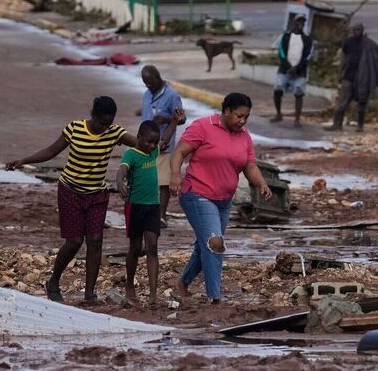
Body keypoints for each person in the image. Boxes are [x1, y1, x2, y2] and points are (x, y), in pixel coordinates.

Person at [6, 96, 137, 303]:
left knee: (95, 241)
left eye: (108, 124)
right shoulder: (74, 128)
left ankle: (89, 293)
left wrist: (158, 139)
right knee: (74, 241)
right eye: (102, 123)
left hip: (97, 194)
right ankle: (54, 281)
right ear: (93, 116)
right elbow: (51, 151)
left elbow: (141, 143)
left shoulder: (114, 132)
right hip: (70, 191)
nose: (104, 128)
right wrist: (24, 160)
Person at [169, 93, 272, 304]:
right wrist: (175, 175)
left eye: (246, 117)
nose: (242, 121)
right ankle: (214, 298)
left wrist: (261, 183)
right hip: (197, 194)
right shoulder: (203, 127)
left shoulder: (244, 136)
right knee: (215, 243)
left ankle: (183, 283)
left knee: (205, 245)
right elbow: (179, 152)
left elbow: (249, 165)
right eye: (238, 116)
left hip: (224, 200)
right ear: (226, 111)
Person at [116, 121, 162, 306]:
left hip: (153, 206)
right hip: (134, 206)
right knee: (135, 247)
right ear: (139, 138)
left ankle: (153, 295)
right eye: (149, 142)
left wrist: (174, 122)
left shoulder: (155, 151)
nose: (152, 146)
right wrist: (120, 182)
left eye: (155, 143)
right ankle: (130, 285)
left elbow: (164, 140)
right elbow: (122, 170)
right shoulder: (131, 154)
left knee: (152, 246)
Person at [140, 65, 186, 226]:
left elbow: (182, 118)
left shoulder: (172, 95)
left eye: (150, 82)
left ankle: (161, 216)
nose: (148, 86)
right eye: (145, 83)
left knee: (163, 183)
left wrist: (166, 119)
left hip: (165, 145)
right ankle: (148, 213)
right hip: (146, 145)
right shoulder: (147, 94)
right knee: (148, 180)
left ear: (158, 78)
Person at [328, 23, 378, 132]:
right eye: (355, 30)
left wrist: (375, 79)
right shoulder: (348, 42)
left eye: (359, 30)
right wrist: (340, 74)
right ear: (352, 31)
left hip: (363, 78)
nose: (357, 32)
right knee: (342, 101)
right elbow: (343, 59)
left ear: (362, 30)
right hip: (349, 76)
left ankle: (360, 126)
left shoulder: (370, 45)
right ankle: (337, 124)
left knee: (362, 102)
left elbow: (377, 63)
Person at [272, 15, 313, 127]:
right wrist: (289, 67)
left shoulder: (308, 39)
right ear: (294, 23)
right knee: (277, 90)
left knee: (299, 94)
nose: (301, 24)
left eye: (303, 23)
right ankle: (278, 114)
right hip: (284, 70)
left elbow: (308, 56)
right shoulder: (285, 37)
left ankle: (297, 119)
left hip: (300, 72)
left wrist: (296, 68)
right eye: (298, 22)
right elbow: (281, 53)